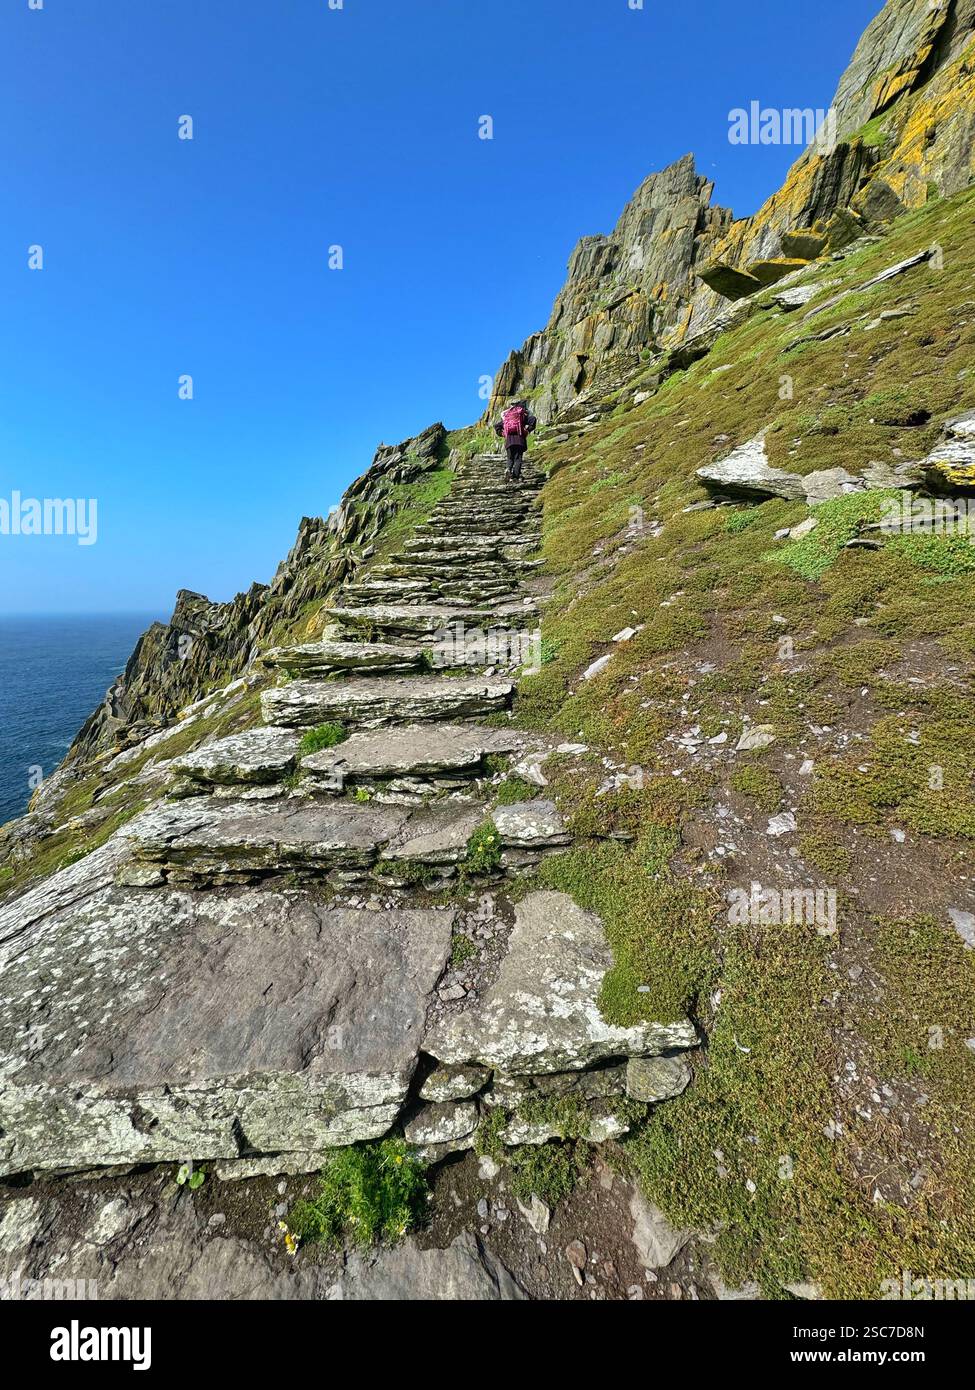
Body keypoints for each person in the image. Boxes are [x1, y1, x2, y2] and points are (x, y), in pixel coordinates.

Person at [494, 399, 537, 481]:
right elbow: (533, 419)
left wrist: (502, 434)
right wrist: (528, 430)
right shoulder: (522, 415)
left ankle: (508, 470)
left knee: (510, 458)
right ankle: (516, 476)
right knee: (518, 459)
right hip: (520, 440)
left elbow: (497, 426)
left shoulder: (508, 416)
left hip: (509, 441)